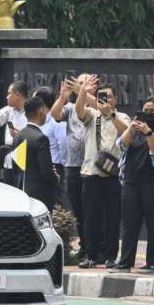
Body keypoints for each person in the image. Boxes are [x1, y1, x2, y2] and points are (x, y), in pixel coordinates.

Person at [110, 97, 154, 273]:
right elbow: (121, 146)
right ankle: (125, 262)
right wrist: (131, 128)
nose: (148, 114)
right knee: (129, 223)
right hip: (131, 181)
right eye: (145, 110)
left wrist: (148, 133)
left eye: (152, 110)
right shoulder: (135, 130)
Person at [75, 78, 130, 269]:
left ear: (115, 99)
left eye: (110, 97)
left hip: (114, 175)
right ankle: (91, 255)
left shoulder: (122, 117)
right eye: (102, 97)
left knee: (113, 218)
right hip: (91, 173)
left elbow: (127, 134)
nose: (106, 100)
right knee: (91, 217)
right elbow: (79, 111)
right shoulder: (92, 114)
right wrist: (83, 90)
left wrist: (112, 115)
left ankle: (110, 256)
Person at [50, 74, 97, 257]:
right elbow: (55, 114)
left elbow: (99, 107)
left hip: (93, 167)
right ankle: (84, 248)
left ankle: (96, 249)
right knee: (78, 210)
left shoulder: (97, 106)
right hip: (73, 166)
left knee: (92, 210)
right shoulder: (70, 108)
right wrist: (62, 98)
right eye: (78, 83)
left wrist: (83, 92)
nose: (81, 87)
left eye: (85, 84)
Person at [8, 97, 59, 211]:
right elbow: (46, 171)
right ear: (41, 111)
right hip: (40, 196)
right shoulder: (41, 138)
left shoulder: (18, 136)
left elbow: (17, 168)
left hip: (21, 191)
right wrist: (56, 179)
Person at [34, 86, 69, 207]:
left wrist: (62, 164)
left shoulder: (56, 120)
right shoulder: (38, 121)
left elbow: (63, 143)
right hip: (39, 167)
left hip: (55, 166)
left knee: (55, 202)